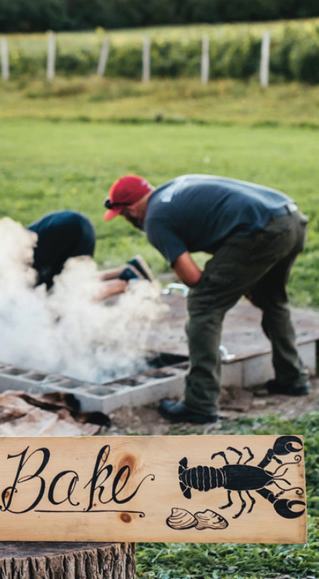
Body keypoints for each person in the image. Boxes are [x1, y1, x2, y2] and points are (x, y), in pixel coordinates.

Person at [105, 171, 311, 422]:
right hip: (290, 220)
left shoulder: (155, 219)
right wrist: (239, 282)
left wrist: (222, 288)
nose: (128, 220)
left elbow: (191, 278)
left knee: (203, 305)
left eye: (124, 215)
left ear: (131, 209)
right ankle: (292, 379)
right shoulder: (175, 187)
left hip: (261, 230)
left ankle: (200, 404)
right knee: (272, 301)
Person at [26, 210, 151, 297]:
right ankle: (128, 272)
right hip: (79, 223)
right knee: (67, 282)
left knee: (63, 296)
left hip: (64, 232)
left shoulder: (12, 272)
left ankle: (131, 284)